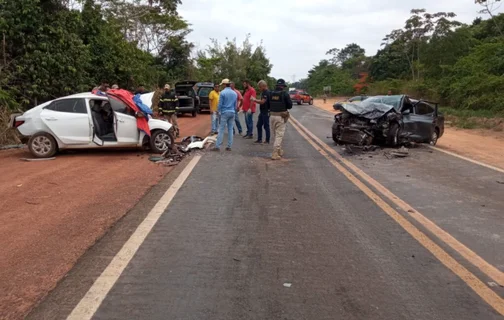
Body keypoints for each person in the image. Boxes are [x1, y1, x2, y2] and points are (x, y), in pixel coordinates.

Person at [253, 78, 292, 160]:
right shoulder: (285, 94)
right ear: (283, 86)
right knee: (279, 135)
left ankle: (279, 151)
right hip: (281, 116)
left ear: (277, 86)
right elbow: (290, 106)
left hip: (272, 116)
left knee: (276, 134)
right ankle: (275, 153)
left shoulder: (270, 94)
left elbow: (267, 104)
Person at [213, 79, 238, 151]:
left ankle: (217, 146)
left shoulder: (223, 93)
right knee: (230, 129)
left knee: (221, 129)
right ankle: (229, 146)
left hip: (225, 112)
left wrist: (218, 111)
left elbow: (220, 104)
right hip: (232, 112)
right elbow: (235, 105)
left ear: (224, 84)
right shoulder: (234, 93)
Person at [253, 80, 271, 145]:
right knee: (259, 125)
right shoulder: (264, 92)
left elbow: (262, 102)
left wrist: (254, 100)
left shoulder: (266, 92)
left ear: (264, 86)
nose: (259, 88)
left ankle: (267, 140)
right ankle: (259, 139)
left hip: (266, 111)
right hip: (262, 111)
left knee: (266, 126)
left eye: (260, 87)